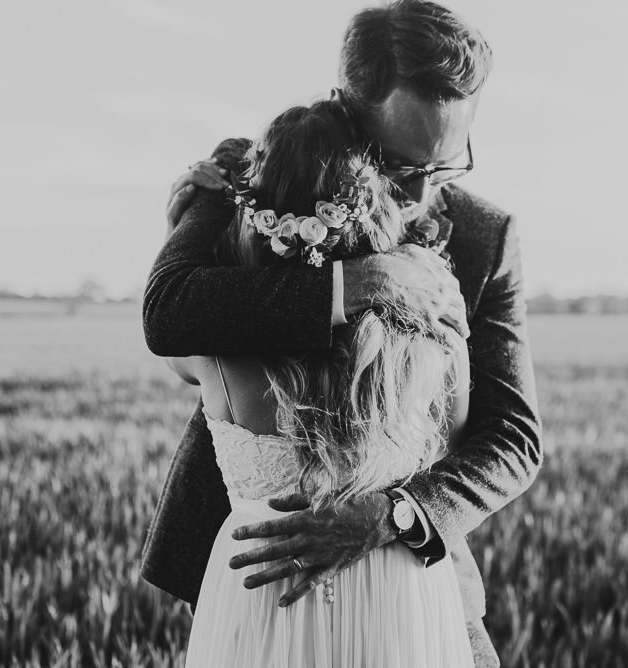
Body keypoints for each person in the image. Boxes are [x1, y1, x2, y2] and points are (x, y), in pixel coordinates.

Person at [141, 2, 542, 665]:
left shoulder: (484, 235)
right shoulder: (251, 176)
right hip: (259, 569)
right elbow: (170, 310)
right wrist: (357, 284)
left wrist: (392, 515)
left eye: (447, 166)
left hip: (413, 567)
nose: (423, 192)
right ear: (347, 114)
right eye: (403, 165)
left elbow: (514, 439)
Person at [172, 98, 475, 666]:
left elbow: (178, 307)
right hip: (398, 594)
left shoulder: (213, 351)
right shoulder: (438, 334)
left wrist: (194, 219)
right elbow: (455, 442)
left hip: (262, 597)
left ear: (256, 213)